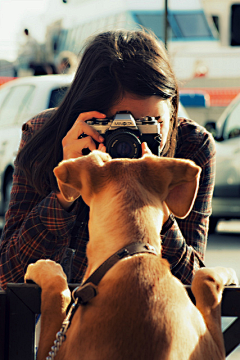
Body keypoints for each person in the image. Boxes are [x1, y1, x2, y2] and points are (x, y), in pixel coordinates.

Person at [0, 29, 215, 290]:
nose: (131, 140)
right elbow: (7, 275)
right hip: (58, 322)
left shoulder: (190, 147)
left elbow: (193, 286)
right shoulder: (45, 136)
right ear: (84, 114)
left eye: (150, 123)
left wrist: (156, 203)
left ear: (172, 109)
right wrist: (66, 190)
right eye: (114, 125)